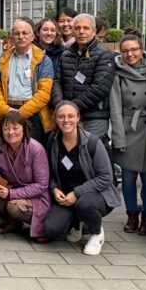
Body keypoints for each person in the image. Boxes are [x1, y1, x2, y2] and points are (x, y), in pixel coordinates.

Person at [37, 101, 120, 253]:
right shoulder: (53, 141)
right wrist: (54, 188)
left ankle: (96, 233)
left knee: (84, 205)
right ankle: (77, 223)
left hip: (95, 195)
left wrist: (76, 193)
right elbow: (49, 172)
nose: (66, 120)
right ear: (55, 119)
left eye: (70, 116)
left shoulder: (93, 142)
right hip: (66, 196)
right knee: (52, 230)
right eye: (61, 117)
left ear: (78, 118)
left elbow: (106, 177)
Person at [109, 33, 146, 235]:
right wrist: (119, 137)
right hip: (129, 127)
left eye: (134, 49)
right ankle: (131, 214)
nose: (130, 54)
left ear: (142, 49)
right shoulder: (117, 72)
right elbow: (115, 106)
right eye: (125, 50)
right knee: (128, 178)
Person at [0, 110, 49, 235]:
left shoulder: (36, 148)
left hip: (35, 195)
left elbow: (42, 185)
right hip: (9, 189)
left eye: (15, 128)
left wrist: (11, 193)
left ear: (24, 129)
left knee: (13, 208)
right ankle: (13, 223)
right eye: (6, 128)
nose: (11, 132)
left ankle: (40, 227)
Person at [0, 17, 53, 144]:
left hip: (33, 116)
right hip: (7, 112)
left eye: (25, 33)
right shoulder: (2, 60)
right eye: (17, 33)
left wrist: (20, 114)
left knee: (32, 156)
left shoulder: (43, 60)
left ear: (33, 37)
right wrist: (7, 111)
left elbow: (44, 94)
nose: (21, 36)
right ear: (11, 37)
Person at [52, 12, 116, 140]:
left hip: (93, 117)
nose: (81, 32)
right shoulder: (65, 55)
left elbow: (99, 88)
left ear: (94, 31)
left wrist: (71, 109)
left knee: (91, 153)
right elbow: (56, 82)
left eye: (86, 28)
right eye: (77, 28)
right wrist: (62, 108)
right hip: (67, 117)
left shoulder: (104, 55)